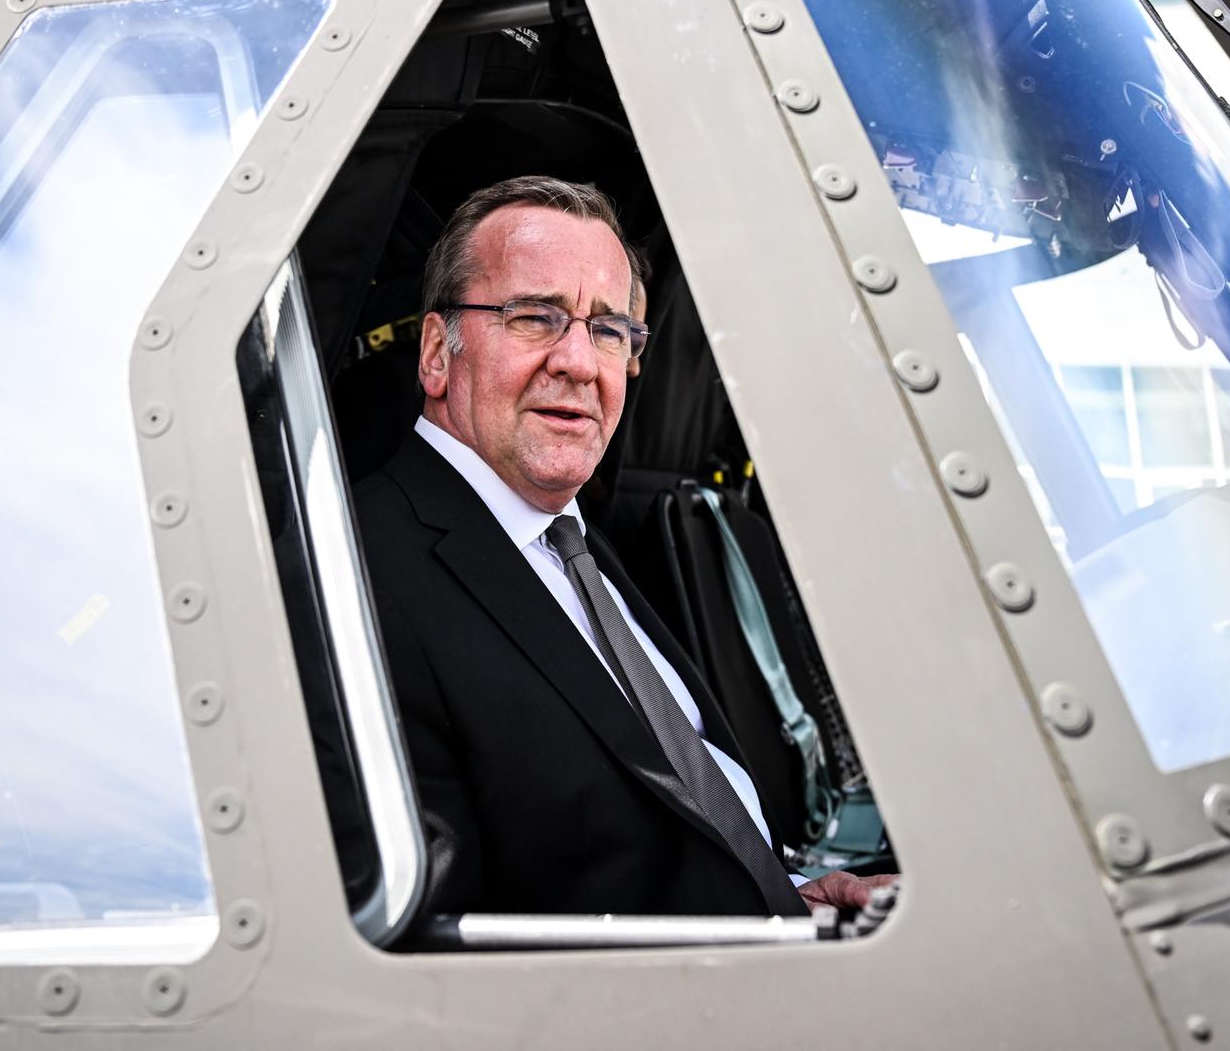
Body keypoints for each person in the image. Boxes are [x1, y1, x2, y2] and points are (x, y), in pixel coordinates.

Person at [354, 175, 894, 919]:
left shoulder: (573, 544)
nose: (580, 362)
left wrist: (788, 902)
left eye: (609, 330)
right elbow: (444, 952)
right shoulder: (360, 580)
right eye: (535, 317)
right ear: (436, 355)